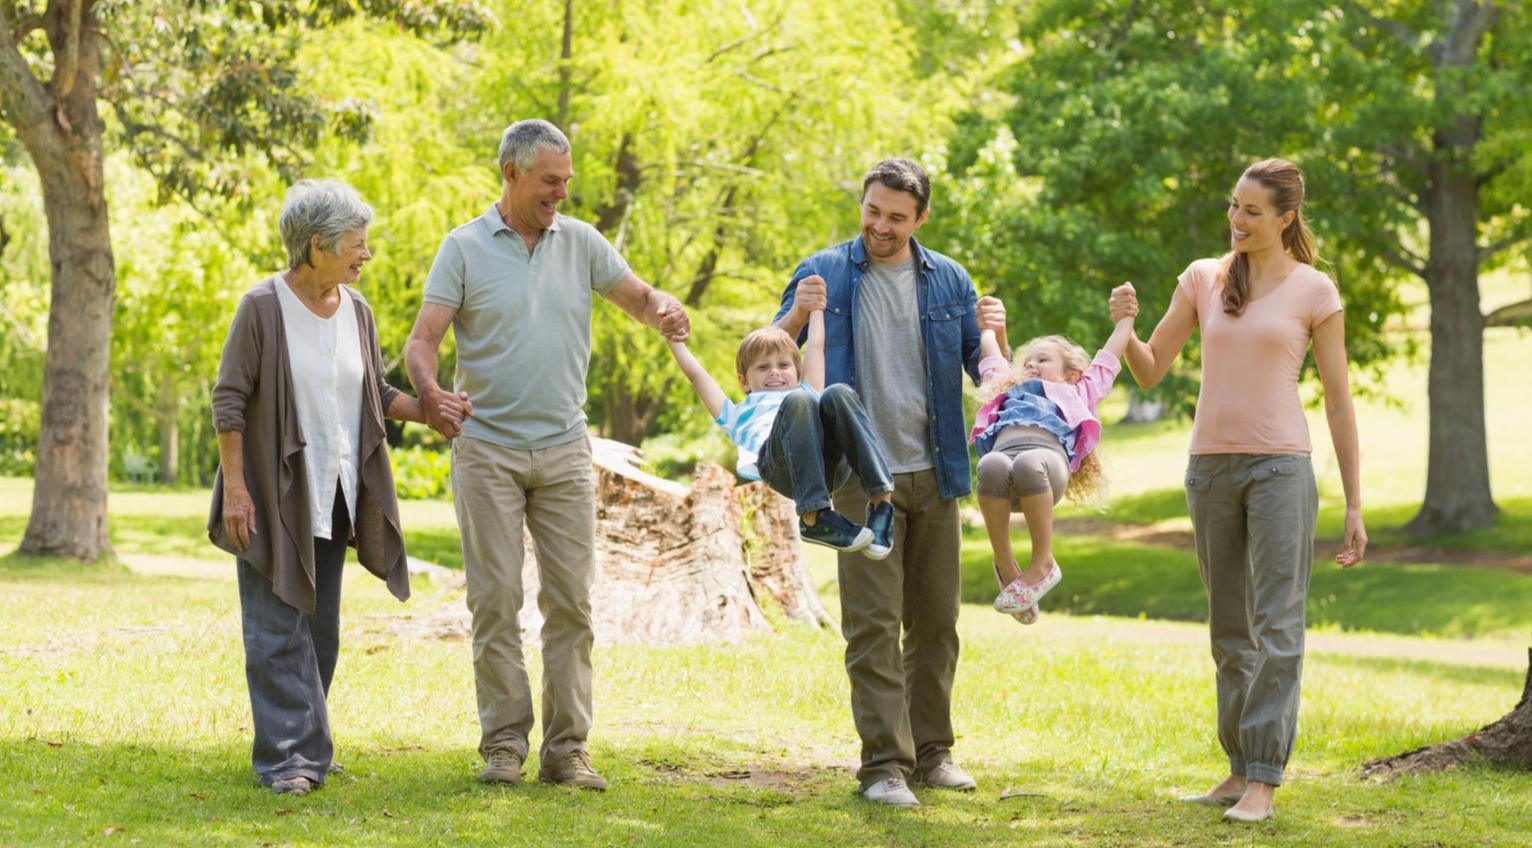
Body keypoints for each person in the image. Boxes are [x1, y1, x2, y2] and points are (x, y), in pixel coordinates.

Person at [405, 119, 689, 791]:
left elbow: (639, 299)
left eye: (566, 181)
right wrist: (433, 394)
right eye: (549, 181)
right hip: (488, 450)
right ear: (511, 173)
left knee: (571, 604)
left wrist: (665, 311)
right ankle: (504, 745)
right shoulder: (464, 248)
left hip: (563, 449)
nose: (561, 193)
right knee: (495, 600)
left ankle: (567, 751)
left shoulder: (582, 243)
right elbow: (423, 342)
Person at [1109, 158, 1367, 823]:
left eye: (1253, 211)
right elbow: (1150, 370)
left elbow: (1339, 402)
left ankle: (1264, 779)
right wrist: (1124, 326)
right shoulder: (1202, 277)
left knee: (1277, 624)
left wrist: (1356, 504)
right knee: (1230, 629)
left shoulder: (1315, 290)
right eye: (1233, 207)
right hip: (1210, 469)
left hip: (1281, 467)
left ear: (1286, 218)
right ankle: (1234, 769)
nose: (1238, 220)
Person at [773, 157, 1008, 806]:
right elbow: (767, 361)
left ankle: (934, 755)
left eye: (896, 218)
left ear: (921, 218)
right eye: (872, 211)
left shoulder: (950, 282)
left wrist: (998, 336)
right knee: (874, 625)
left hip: (935, 473)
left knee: (936, 624)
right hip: (857, 477)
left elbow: (991, 381)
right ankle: (882, 766)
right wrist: (796, 315)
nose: (880, 226)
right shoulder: (823, 270)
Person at [209, 180, 446, 796]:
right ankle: (287, 761)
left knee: (320, 630)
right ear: (316, 246)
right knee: (275, 630)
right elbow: (228, 401)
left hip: (337, 490)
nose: (365, 255)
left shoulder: (357, 312)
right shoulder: (262, 307)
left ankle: (307, 746)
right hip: (273, 491)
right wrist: (236, 490)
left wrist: (432, 410)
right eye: (356, 245)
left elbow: (375, 394)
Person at [668, 306, 896, 556]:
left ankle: (881, 503)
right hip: (782, 469)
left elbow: (816, 346)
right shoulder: (738, 415)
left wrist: (816, 308)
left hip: (829, 465)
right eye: (763, 367)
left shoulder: (808, 390)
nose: (775, 371)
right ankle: (813, 518)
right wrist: (675, 342)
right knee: (799, 401)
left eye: (783, 364)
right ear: (744, 381)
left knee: (838, 392)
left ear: (797, 372)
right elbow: (698, 376)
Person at [969, 301, 1133, 624]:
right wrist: (986, 325)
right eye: (1028, 360)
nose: (1031, 364)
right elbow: (990, 354)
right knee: (990, 465)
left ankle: (1042, 562)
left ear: (1071, 375)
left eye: (1042, 360)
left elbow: (1110, 357)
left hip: (1046, 467)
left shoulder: (1080, 390)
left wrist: (1125, 318)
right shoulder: (1006, 386)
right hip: (1005, 469)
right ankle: (1006, 565)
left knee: (1029, 462)